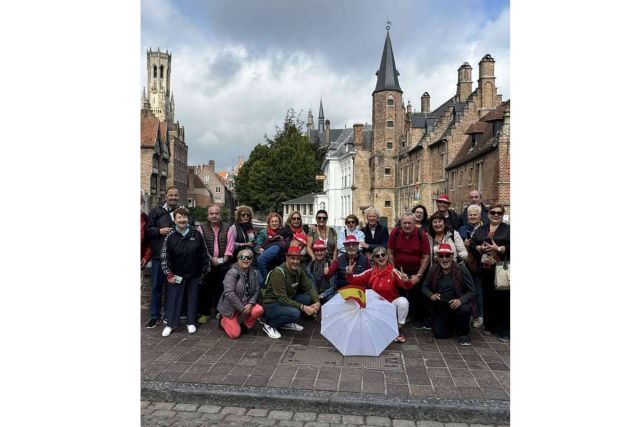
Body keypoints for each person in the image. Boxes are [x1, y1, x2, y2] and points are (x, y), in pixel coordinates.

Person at [160, 207, 211, 337]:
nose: (182, 220)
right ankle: (170, 324)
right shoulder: (170, 236)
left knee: (192, 299)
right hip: (175, 274)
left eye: (184, 217)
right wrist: (168, 273)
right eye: (179, 217)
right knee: (174, 299)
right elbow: (165, 256)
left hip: (193, 273)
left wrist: (205, 270)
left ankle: (191, 322)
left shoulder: (196, 234)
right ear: (175, 219)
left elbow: (204, 253)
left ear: (188, 219)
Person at [144, 186, 190, 328]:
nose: (173, 198)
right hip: (159, 256)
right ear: (166, 197)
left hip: (177, 258)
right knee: (157, 286)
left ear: (179, 196)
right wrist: (159, 230)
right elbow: (148, 230)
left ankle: (171, 314)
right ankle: (155, 315)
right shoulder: (156, 211)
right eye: (170, 195)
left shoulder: (184, 212)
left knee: (174, 287)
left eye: (176, 195)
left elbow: (191, 227)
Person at [346, 246, 413, 343]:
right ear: (374, 259)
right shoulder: (371, 272)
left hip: (391, 305)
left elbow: (407, 287)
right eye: (377, 256)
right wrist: (349, 273)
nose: (381, 257)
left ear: (387, 256)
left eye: (383, 254)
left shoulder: (393, 271)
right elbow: (354, 280)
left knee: (403, 302)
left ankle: (398, 329)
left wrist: (406, 281)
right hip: (375, 306)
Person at [468, 204, 510, 341]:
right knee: (488, 297)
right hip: (485, 268)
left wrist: (499, 248)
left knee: (503, 299)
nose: (496, 214)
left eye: (499, 212)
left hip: (501, 268)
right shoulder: (481, 229)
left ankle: (504, 330)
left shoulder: (508, 229)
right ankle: (490, 326)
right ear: (488, 214)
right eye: (493, 212)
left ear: (502, 214)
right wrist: (479, 247)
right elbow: (472, 243)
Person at [260, 246, 321, 339]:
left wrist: (317, 301)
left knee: (309, 298)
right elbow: (282, 299)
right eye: (292, 258)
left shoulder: (298, 270)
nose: (295, 261)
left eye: (298, 259)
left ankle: (285, 322)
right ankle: (269, 324)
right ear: (287, 258)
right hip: (272, 305)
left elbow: (309, 286)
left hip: (287, 300)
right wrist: (303, 307)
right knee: (295, 313)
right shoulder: (279, 272)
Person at [421, 244, 475, 346]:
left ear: (452, 256)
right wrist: (431, 295)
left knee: (465, 309)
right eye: (441, 256)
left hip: (458, 305)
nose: (444, 259)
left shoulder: (461, 269)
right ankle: (450, 324)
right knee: (440, 334)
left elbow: (472, 291)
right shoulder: (433, 269)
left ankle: (463, 333)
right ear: (437, 257)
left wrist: (460, 300)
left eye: (447, 256)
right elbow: (424, 287)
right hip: (441, 306)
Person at [387, 213, 430, 330]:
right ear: (401, 223)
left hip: (416, 270)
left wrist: (419, 275)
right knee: (399, 293)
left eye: (409, 223)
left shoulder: (422, 235)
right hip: (398, 269)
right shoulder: (395, 232)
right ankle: (401, 316)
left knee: (417, 293)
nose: (407, 225)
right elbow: (390, 251)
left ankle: (417, 318)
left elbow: (426, 257)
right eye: (404, 223)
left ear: (414, 223)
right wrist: (394, 269)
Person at [197, 204, 234, 325]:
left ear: (220, 215)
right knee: (205, 288)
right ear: (208, 215)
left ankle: (220, 311)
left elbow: (230, 244)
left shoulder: (227, 227)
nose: (214, 216)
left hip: (223, 262)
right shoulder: (201, 228)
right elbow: (202, 245)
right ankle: (205, 313)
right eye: (211, 213)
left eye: (216, 213)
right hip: (207, 263)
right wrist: (210, 258)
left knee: (221, 288)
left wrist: (226, 257)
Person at [216, 249, 264, 339]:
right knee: (234, 334)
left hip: (246, 305)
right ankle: (223, 321)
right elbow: (229, 293)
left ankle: (242, 324)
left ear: (251, 260)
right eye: (243, 257)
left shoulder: (254, 272)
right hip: (231, 308)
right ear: (238, 259)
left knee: (259, 309)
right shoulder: (232, 272)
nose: (246, 259)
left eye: (248, 257)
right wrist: (241, 308)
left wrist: (251, 303)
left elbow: (257, 290)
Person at [458, 204, 485, 328]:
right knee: (465, 290)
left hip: (480, 265)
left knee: (478, 290)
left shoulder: (485, 228)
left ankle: (479, 316)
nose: (473, 217)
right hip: (466, 264)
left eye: (475, 214)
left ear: (480, 215)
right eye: (470, 215)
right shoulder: (463, 229)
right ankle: (468, 314)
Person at [254, 212, 287, 283]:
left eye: (276, 221)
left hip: (276, 263)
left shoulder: (282, 232)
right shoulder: (263, 233)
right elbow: (257, 246)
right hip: (264, 264)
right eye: (272, 221)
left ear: (279, 223)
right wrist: (259, 249)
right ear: (269, 223)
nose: (274, 223)